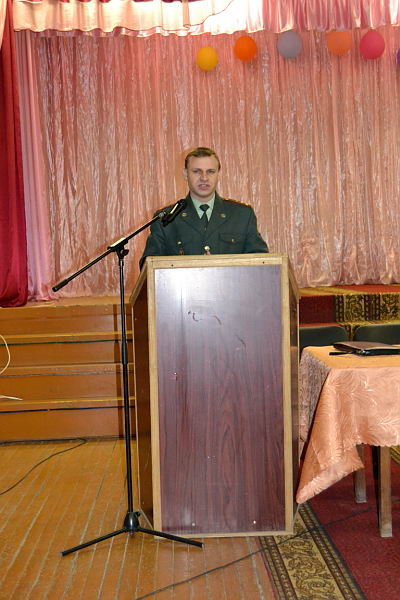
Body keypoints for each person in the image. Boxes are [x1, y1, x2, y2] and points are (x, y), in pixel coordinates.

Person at [139, 147, 268, 268]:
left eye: (210, 171)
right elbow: (149, 267)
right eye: (196, 171)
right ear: (185, 174)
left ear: (218, 174)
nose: (204, 178)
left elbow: (261, 262)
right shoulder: (166, 218)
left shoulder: (242, 215)